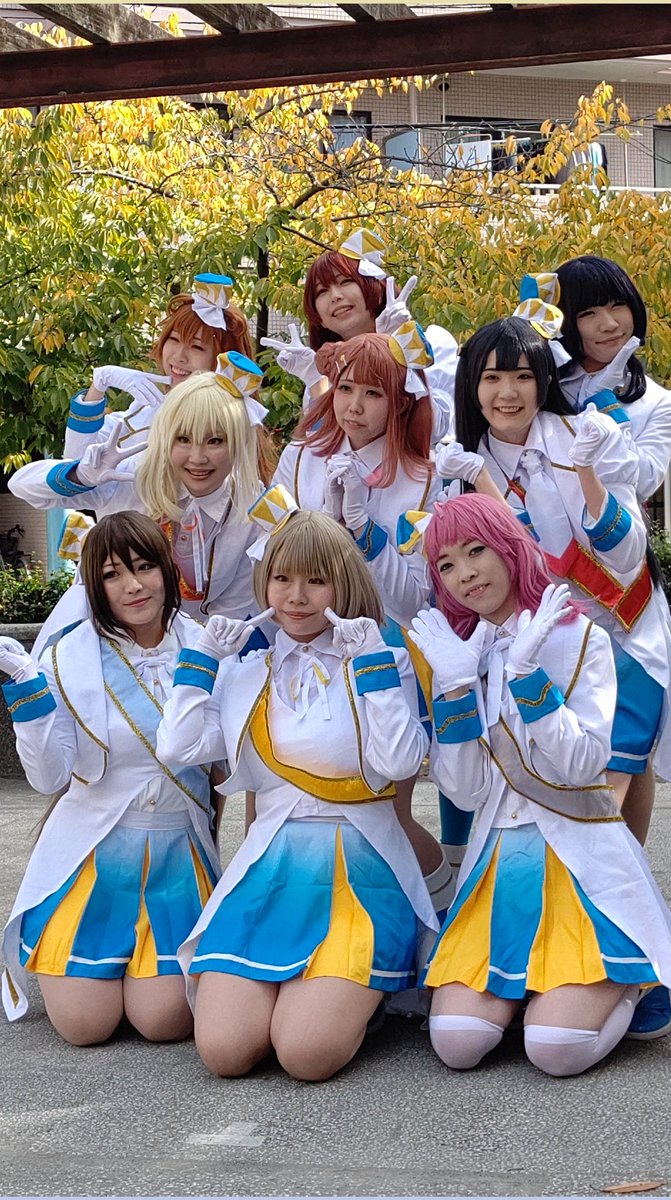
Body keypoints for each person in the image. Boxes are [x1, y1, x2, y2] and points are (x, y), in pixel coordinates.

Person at [156, 502, 438, 1080]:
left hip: (362, 871)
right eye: (282, 578)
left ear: (344, 582)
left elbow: (399, 762)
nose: (297, 596)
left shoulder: (384, 660)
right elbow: (178, 747)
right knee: (225, 1052)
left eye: (316, 579)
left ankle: (365, 997)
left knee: (306, 1054)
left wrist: (372, 664)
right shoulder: (246, 671)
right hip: (269, 870)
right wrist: (202, 658)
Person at [408, 493, 671, 1075]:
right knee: (456, 1043)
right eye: (446, 564)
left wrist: (528, 680)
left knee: (556, 1049)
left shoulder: (580, 638)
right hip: (500, 863)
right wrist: (456, 690)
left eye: (476, 550)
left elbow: (583, 766)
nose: (464, 573)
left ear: (509, 547)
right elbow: (466, 792)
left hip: (578, 857)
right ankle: (533, 993)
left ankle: (636, 983)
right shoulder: (460, 653)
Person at [445, 314, 671, 850]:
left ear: (544, 380)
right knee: (553, 788)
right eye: (492, 377)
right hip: (531, 650)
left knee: (614, 779)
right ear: (472, 385)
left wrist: (588, 472)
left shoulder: (587, 435)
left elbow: (628, 552)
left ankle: (618, 887)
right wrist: (477, 482)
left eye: (523, 376)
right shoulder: (459, 471)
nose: (508, 393)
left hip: (621, 635)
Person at [0, 513, 221, 1043]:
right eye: (112, 574)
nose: (133, 585)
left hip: (178, 858)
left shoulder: (208, 646)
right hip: (93, 854)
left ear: (166, 569)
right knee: (85, 1026)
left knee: (164, 1022)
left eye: (144, 567)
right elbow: (48, 777)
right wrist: (26, 689)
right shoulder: (67, 657)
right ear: (93, 587)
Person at [10, 355, 272, 625]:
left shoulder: (251, 507)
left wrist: (196, 648)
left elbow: (233, 607)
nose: (197, 458)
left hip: (191, 642)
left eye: (215, 441)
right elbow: (21, 485)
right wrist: (82, 475)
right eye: (183, 439)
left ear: (239, 442)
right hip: (102, 634)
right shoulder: (133, 475)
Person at [260, 229, 458, 440]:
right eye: (322, 292)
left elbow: (433, 430)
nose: (335, 296)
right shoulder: (330, 371)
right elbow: (319, 445)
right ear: (318, 316)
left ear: (374, 287)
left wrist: (396, 351)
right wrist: (315, 380)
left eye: (345, 282)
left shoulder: (432, 343)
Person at [64, 272, 254, 460]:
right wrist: (99, 385)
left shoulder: (221, 425)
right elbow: (75, 459)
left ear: (223, 360)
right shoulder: (148, 408)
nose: (179, 356)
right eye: (174, 339)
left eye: (197, 347)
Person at [554, 256, 671, 504]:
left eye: (618, 305)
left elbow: (644, 483)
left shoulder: (658, 401)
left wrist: (607, 409)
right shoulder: (539, 385)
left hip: (611, 525)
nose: (609, 324)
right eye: (588, 313)